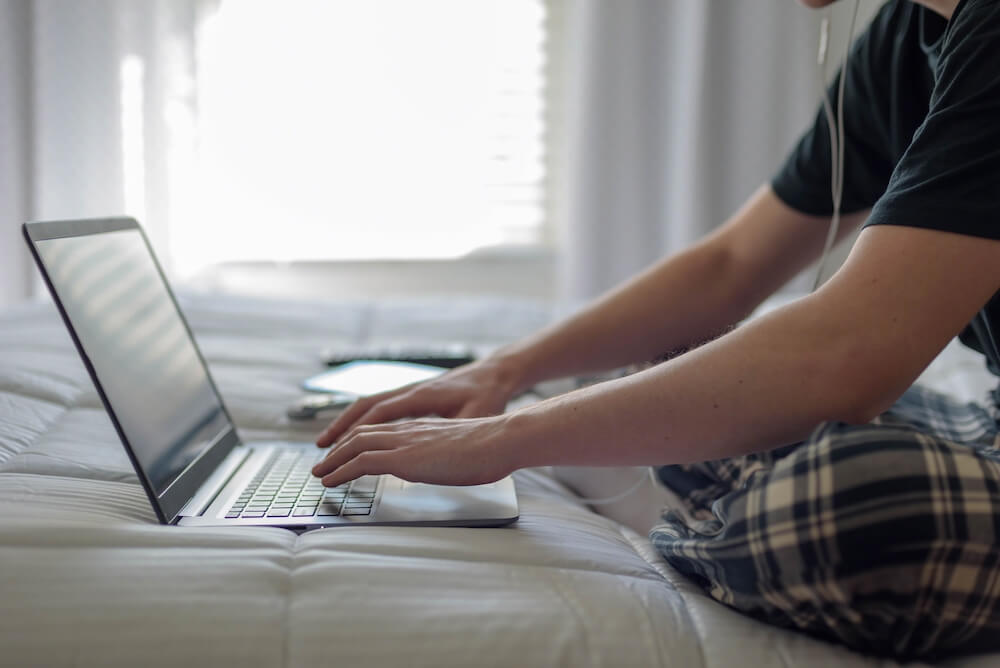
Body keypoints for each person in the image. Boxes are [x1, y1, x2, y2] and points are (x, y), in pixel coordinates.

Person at [313, 0, 1000, 659]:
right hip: (986, 426)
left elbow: (845, 357)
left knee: (857, 503)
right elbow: (730, 266)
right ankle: (731, 520)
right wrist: (506, 372)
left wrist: (506, 437)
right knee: (667, 368)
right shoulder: (907, 36)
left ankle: (709, 517)